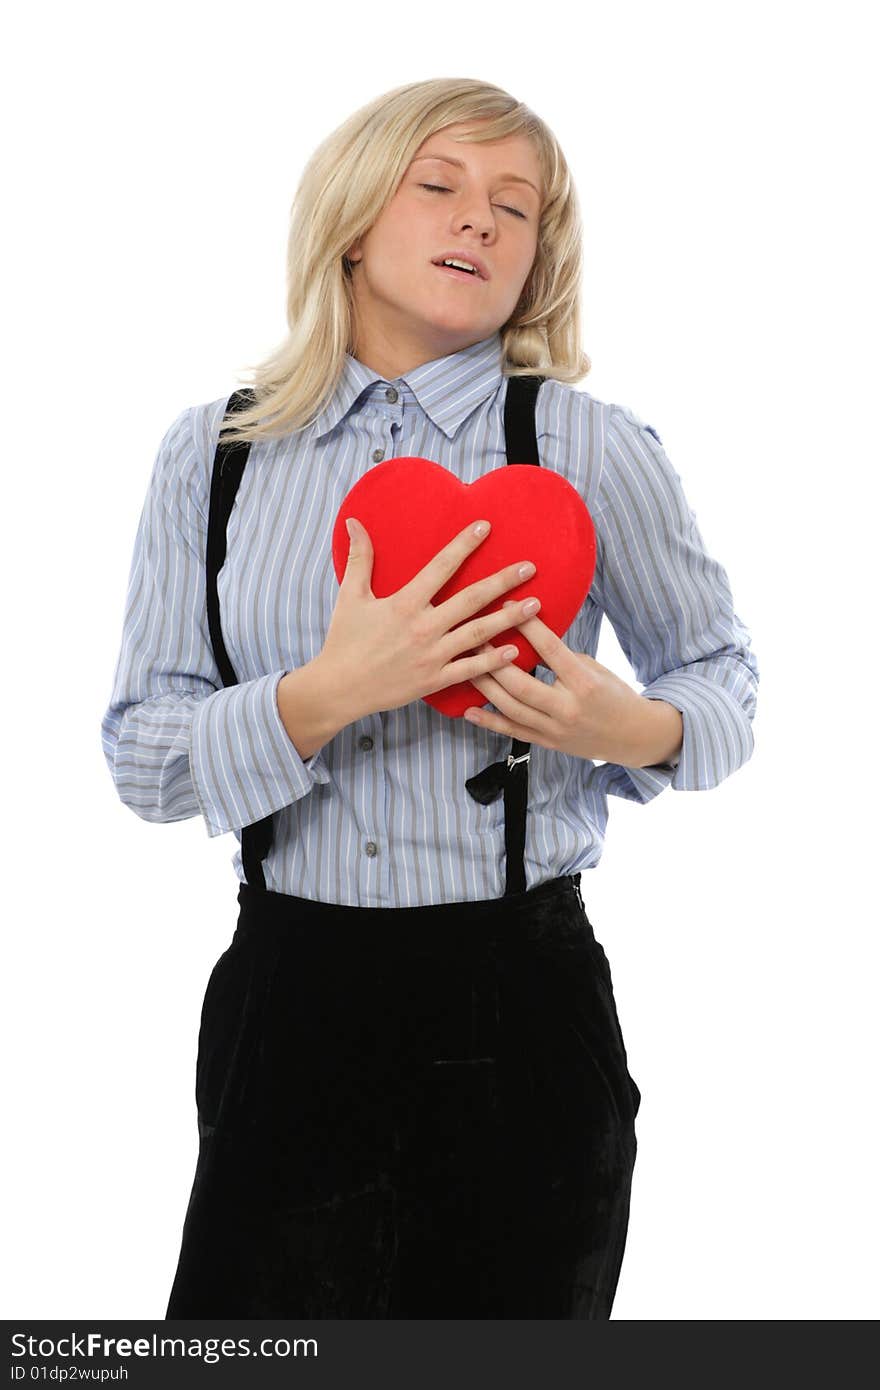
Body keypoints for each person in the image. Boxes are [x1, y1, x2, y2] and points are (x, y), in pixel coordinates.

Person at [100, 76, 759, 1320]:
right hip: (286, 1004)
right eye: (443, 186)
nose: (482, 224)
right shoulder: (216, 456)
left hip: (522, 1004)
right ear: (353, 219)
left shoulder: (587, 447)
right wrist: (327, 694)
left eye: (518, 209)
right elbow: (143, 754)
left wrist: (634, 728)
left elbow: (720, 680)